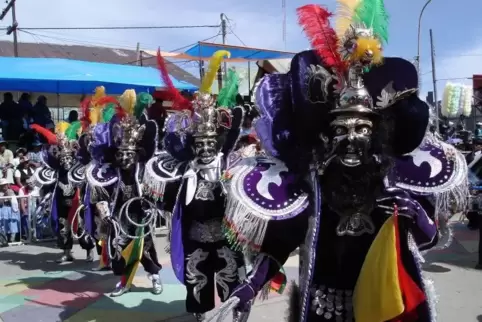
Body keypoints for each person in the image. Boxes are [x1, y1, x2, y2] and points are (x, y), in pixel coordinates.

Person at [219, 4, 469, 321]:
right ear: (329, 136)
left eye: (362, 129)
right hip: (325, 308)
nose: (351, 139)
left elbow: (428, 238)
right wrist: (251, 286)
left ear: (376, 134)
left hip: (386, 304)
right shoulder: (314, 183)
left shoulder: (393, 179)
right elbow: (282, 242)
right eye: (341, 130)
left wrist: (416, 214)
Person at [144, 51, 248, 322]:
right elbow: (168, 203)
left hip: (225, 238)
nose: (204, 149)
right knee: (198, 280)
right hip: (195, 239)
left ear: (217, 143)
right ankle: (200, 314)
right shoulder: (184, 175)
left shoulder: (229, 167)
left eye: (209, 143)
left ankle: (234, 311)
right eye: (199, 144)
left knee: (231, 278)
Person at [85, 89, 163, 297]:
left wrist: (151, 207)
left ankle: (154, 277)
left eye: (129, 154)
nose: (125, 158)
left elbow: (156, 191)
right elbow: (99, 194)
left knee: (144, 248)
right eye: (121, 154)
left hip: (140, 215)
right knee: (120, 250)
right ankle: (125, 282)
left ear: (136, 154)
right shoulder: (110, 172)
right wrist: (105, 214)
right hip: (119, 216)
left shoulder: (144, 171)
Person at [31, 121, 94, 263]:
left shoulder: (79, 166)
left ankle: (89, 250)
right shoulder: (57, 168)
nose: (65, 160)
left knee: (81, 224)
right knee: (62, 224)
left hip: (77, 197)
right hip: (61, 196)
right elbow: (46, 171)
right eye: (62, 157)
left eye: (68, 157)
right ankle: (67, 252)